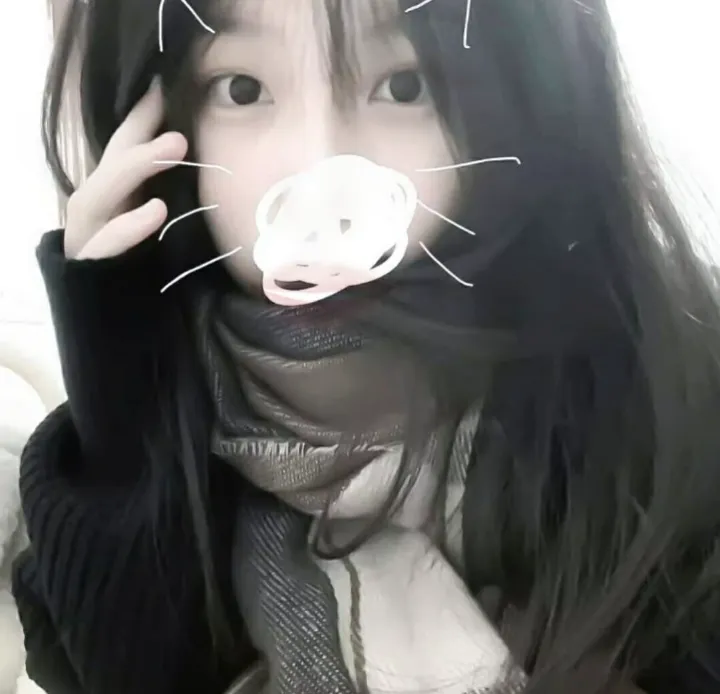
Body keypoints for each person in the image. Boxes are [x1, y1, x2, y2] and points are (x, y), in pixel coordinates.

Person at [11, 0, 720, 692]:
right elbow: (115, 667)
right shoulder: (162, 411)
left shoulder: (663, 392)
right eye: (243, 89)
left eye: (405, 86)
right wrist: (118, 375)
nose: (320, 177)